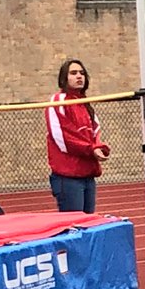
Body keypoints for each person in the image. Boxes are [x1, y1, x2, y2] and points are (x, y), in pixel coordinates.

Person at [46, 59, 110, 213]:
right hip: (68, 177)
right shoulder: (58, 101)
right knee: (74, 226)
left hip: (88, 174)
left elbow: (94, 131)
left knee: (89, 224)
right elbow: (63, 136)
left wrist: (99, 147)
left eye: (82, 73)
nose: (79, 76)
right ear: (64, 78)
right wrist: (90, 149)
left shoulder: (85, 103)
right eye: (73, 73)